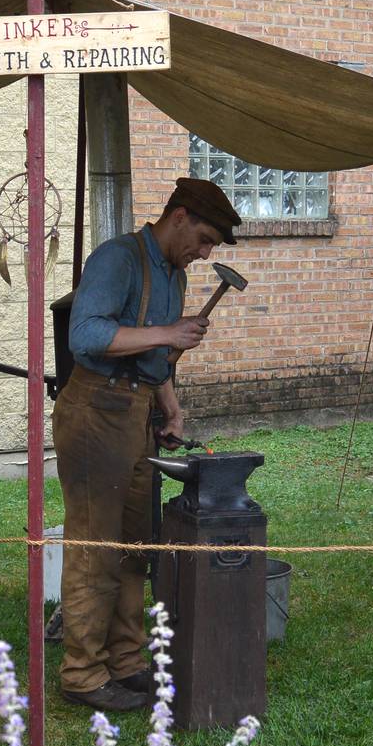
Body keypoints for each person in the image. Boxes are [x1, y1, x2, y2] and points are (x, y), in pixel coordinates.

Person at [54, 178, 242, 711]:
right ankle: (83, 675)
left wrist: (171, 404)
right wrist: (168, 333)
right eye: (203, 239)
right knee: (97, 544)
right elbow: (85, 335)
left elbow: (153, 360)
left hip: (135, 411)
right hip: (93, 411)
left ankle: (127, 661)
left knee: (135, 544)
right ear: (179, 216)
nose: (204, 253)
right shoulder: (118, 259)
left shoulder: (174, 276)